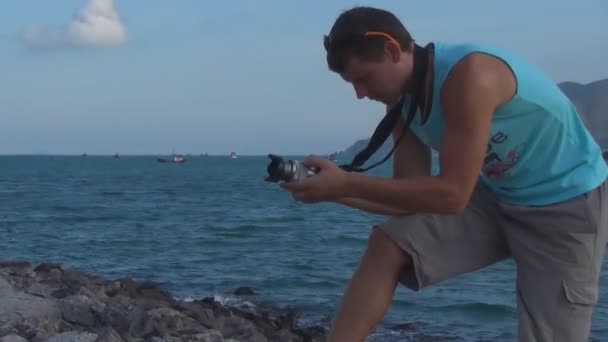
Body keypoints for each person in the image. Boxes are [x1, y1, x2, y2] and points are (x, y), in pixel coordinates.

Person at [280, 6, 608, 342]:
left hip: (567, 204)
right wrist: (333, 192)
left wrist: (346, 182)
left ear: (392, 50)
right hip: (499, 195)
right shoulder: (403, 100)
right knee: (387, 244)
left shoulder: (469, 75)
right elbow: (408, 199)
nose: (360, 93)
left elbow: (452, 195)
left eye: (363, 78)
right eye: (352, 84)